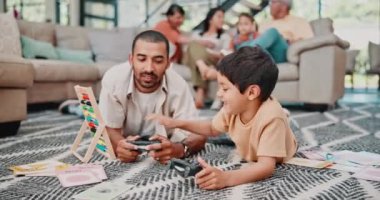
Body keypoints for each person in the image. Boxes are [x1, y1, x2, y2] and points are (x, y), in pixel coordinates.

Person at [147, 46, 297, 190]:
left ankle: (285, 118)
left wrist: (226, 178)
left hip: (278, 146)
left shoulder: (271, 118)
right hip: (251, 139)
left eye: (225, 88)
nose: (218, 94)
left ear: (251, 93)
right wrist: (176, 123)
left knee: (276, 121)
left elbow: (266, 166)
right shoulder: (233, 107)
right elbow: (211, 128)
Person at [98, 30, 206, 164]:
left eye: (158, 61)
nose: (149, 68)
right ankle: (74, 108)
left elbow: (198, 134)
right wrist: (119, 145)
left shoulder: (179, 85)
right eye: (142, 59)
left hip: (164, 138)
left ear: (168, 63)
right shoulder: (114, 79)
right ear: (131, 60)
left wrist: (179, 149)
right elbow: (109, 127)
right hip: (124, 131)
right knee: (96, 117)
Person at [182, 7, 230, 108]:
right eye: (219, 16)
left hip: (212, 60)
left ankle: (199, 95)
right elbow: (187, 51)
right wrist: (202, 43)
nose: (222, 19)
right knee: (193, 44)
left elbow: (226, 54)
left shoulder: (224, 36)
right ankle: (203, 68)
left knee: (196, 51)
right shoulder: (197, 34)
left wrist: (209, 52)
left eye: (223, 17)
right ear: (210, 19)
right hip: (193, 59)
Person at [238, 0, 313, 63]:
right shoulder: (264, 23)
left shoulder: (299, 21)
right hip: (265, 53)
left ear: (284, 5)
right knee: (243, 44)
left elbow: (309, 41)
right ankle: (245, 57)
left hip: (283, 52)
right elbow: (260, 41)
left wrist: (292, 41)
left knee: (273, 32)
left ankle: (243, 57)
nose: (270, 5)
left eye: (273, 2)